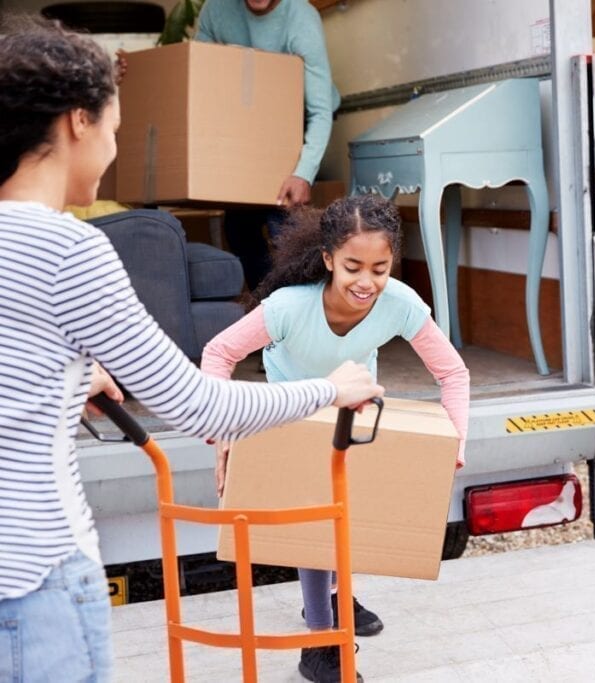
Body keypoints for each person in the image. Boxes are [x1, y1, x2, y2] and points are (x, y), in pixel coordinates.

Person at [0, 19, 383, 682]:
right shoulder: (69, 249)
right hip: (37, 580)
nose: (117, 149)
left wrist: (67, 374)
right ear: (76, 123)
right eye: (115, 128)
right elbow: (200, 406)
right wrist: (331, 388)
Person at [201, 194, 470, 683]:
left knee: (347, 513)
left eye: (380, 268)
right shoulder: (287, 307)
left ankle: (329, 595)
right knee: (313, 524)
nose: (366, 282)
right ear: (328, 259)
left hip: (351, 413)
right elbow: (218, 354)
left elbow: (452, 373)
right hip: (292, 417)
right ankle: (321, 645)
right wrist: (223, 434)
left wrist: (457, 440)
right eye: (352, 267)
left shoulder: (400, 305)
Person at [194, 0, 342, 289]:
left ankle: (300, 310)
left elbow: (320, 111)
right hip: (247, 117)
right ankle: (266, 303)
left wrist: (303, 173)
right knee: (239, 226)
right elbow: (197, 69)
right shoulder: (216, 10)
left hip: (297, 113)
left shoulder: (301, 18)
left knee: (281, 218)